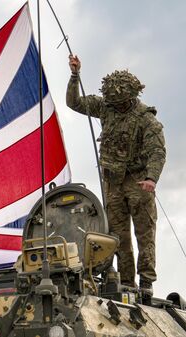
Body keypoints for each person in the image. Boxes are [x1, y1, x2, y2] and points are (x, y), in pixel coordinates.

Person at [66, 55, 166, 296]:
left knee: (144, 233)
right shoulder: (105, 107)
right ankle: (127, 282)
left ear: (132, 97)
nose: (117, 106)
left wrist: (151, 179)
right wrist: (75, 75)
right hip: (113, 182)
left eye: (121, 102)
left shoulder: (146, 120)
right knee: (118, 235)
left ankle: (146, 282)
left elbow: (157, 151)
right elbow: (74, 103)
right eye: (114, 102)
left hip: (138, 182)